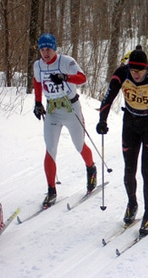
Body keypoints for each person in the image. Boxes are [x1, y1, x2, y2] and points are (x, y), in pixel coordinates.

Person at [96, 49, 148, 236]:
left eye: (139, 71)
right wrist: (102, 120)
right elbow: (108, 97)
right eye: (133, 71)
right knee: (129, 168)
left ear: (147, 69)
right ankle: (132, 204)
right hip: (131, 123)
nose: (136, 74)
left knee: (146, 169)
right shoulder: (122, 73)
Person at [33, 33, 97, 208]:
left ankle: (91, 168)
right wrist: (38, 103)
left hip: (71, 108)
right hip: (53, 110)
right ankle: (51, 190)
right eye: (42, 49)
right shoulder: (38, 65)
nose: (45, 53)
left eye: (49, 49)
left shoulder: (66, 61)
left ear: (55, 48)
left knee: (79, 145)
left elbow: (82, 78)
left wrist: (65, 77)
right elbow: (37, 82)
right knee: (50, 148)